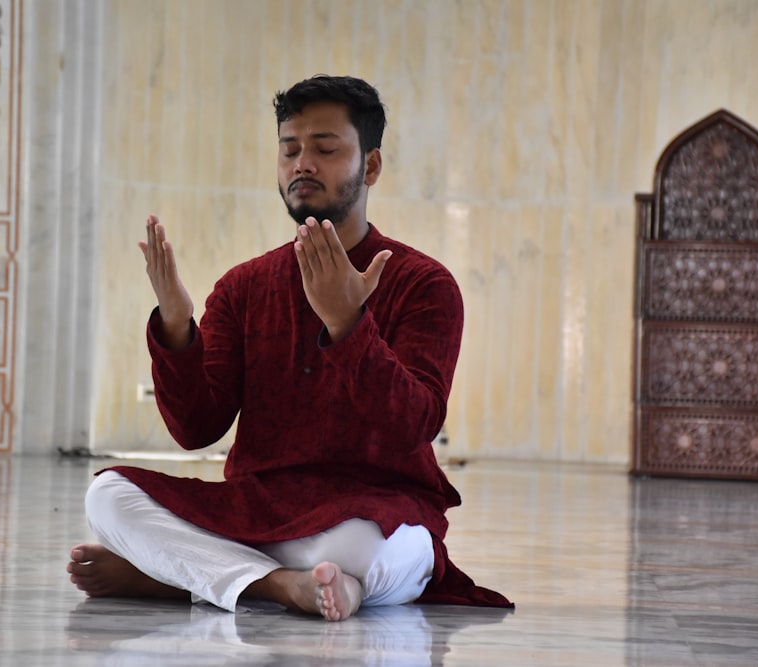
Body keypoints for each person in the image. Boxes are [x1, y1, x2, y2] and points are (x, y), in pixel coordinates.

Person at [67, 75, 513, 622]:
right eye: (290, 149)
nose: (303, 163)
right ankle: (280, 587)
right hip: (261, 508)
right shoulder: (244, 286)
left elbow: (414, 425)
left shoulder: (424, 283)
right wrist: (178, 329)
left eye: (325, 149)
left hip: (372, 510)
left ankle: (188, 577)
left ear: (369, 167)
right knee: (107, 497)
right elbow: (196, 428)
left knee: (380, 552)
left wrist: (349, 324)